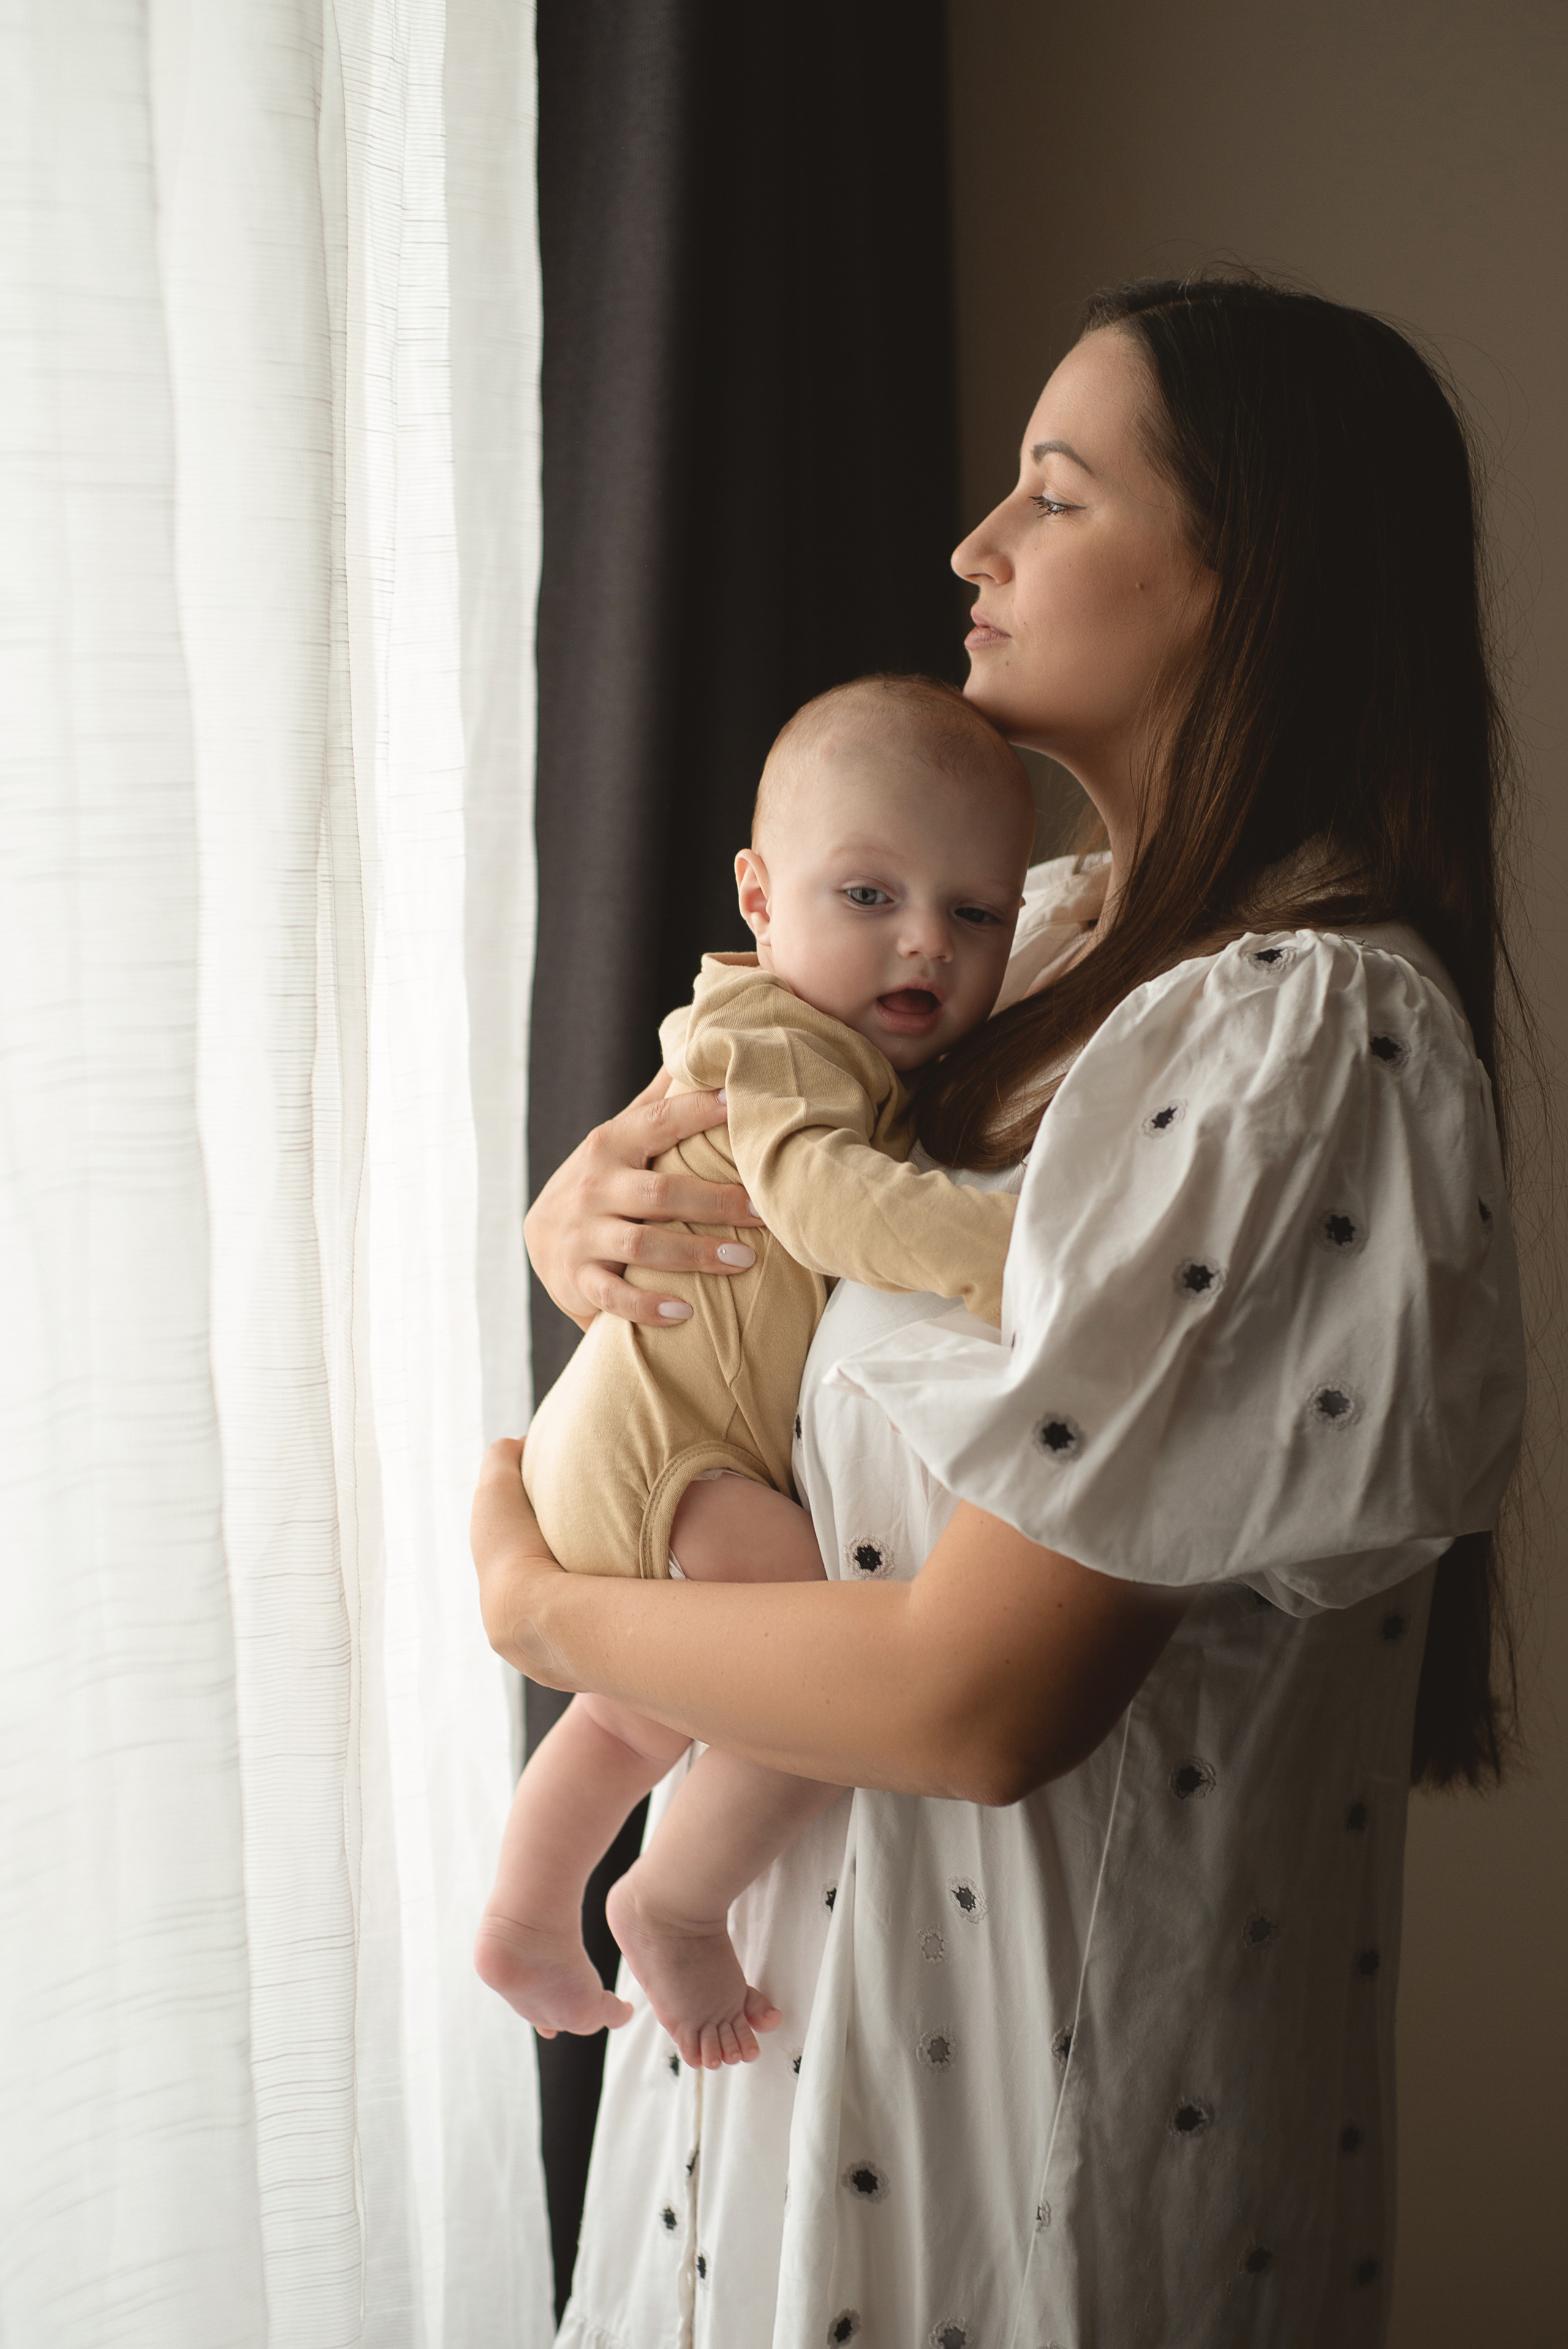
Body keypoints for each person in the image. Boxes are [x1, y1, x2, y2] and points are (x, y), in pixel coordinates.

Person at [470, 274, 1528, 2347]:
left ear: (1243, 576)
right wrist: (578, 1219)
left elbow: (983, 1703)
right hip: (779, 2064)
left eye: (1052, 493)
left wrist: (541, 1615)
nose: (977, 548)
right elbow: (769, 1226)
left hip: (1035, 2141)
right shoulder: (1028, 951)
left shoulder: (1298, 1040)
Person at [475, 675, 1035, 2069]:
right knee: (813, 1674)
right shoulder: (772, 1047)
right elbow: (826, 1206)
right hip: (668, 1439)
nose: (925, 943)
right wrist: (1025, 1250)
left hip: (636, 1434)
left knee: (629, 1711)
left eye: (974, 915)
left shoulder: (816, 1036)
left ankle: (526, 1915)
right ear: (756, 896)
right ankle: (667, 1901)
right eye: (868, 896)